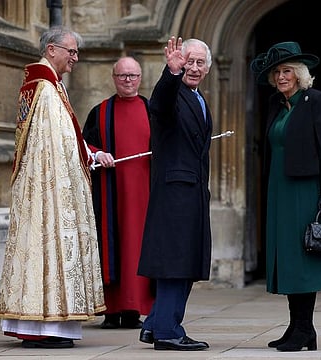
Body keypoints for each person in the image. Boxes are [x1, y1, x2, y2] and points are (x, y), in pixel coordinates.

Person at [0, 26, 113, 349]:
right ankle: (43, 328)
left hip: (44, 187)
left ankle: (44, 326)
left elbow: (67, 138)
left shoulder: (49, 86)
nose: (75, 58)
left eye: (76, 52)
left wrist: (91, 154)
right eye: (71, 51)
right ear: (51, 50)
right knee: (49, 247)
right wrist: (83, 164)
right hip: (49, 192)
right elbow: (53, 148)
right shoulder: (44, 90)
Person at [250, 41, 321, 352]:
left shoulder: (316, 101)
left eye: (287, 71)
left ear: (300, 74)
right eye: (277, 72)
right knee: (289, 260)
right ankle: (298, 327)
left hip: (305, 191)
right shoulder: (278, 105)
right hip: (280, 190)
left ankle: (304, 329)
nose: (281, 77)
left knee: (303, 261)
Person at [136, 35, 213, 351]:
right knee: (175, 262)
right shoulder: (175, 93)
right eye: (188, 61)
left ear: (207, 68)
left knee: (186, 261)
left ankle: (155, 325)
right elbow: (160, 104)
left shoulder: (198, 97)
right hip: (175, 194)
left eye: (199, 63)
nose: (193, 68)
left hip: (192, 193)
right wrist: (170, 73)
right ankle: (168, 331)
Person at [82, 56, 155, 330]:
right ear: (114, 78)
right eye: (123, 76)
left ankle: (134, 310)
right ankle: (111, 311)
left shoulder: (153, 110)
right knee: (111, 246)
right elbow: (83, 145)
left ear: (140, 78)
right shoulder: (100, 112)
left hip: (145, 196)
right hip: (110, 195)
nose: (128, 81)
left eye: (133, 76)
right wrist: (98, 154)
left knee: (138, 248)